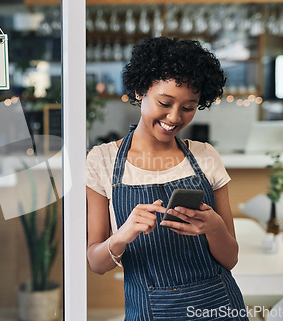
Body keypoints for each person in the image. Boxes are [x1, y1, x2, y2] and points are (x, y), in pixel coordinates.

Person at [86, 37, 249, 321]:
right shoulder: (102, 160)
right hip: (149, 310)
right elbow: (96, 263)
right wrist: (123, 236)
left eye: (188, 107)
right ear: (140, 91)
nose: (174, 117)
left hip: (219, 306)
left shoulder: (206, 156)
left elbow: (230, 259)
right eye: (165, 102)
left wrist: (214, 227)